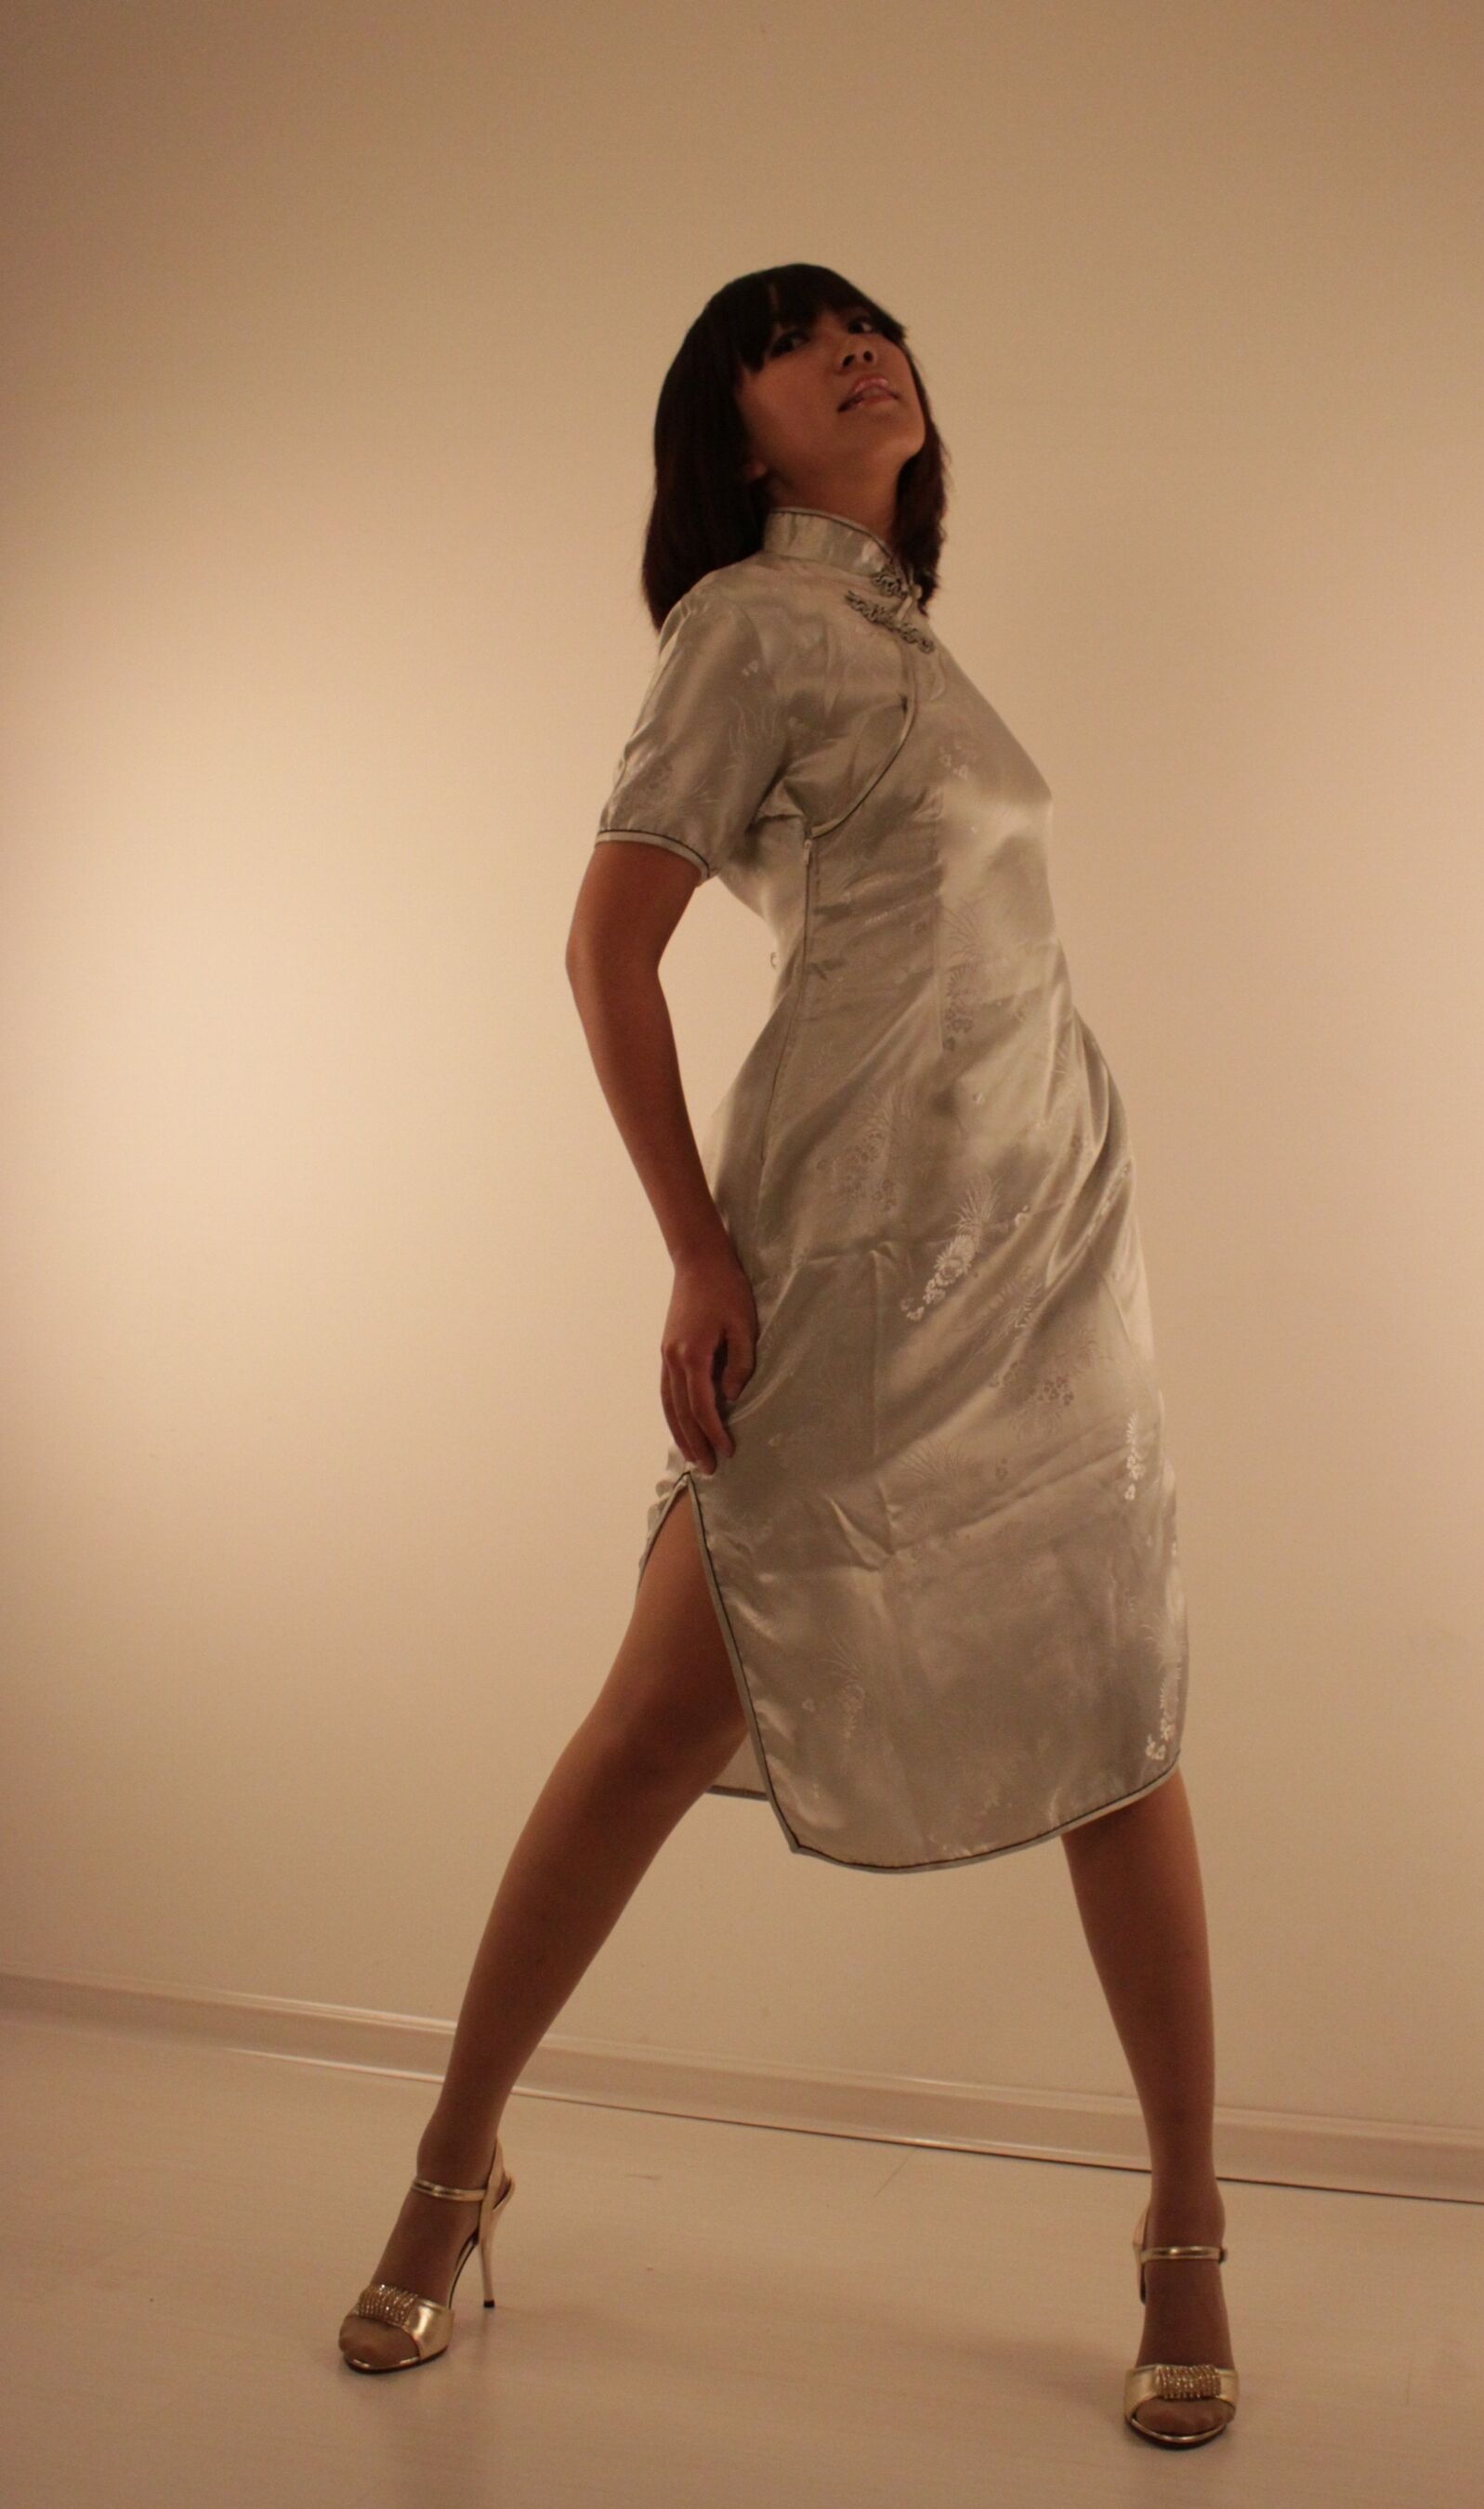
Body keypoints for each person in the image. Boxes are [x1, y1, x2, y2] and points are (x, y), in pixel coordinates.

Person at [336, 263, 1237, 2448]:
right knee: (661, 1713)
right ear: (731, 434)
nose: (853, 348)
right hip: (848, 1257)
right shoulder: (745, 626)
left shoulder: (921, 647)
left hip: (1050, 1263)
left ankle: (1188, 2227)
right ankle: (452, 2168)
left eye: (866, 322)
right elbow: (604, 949)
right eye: (790, 337)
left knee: (1115, 1715)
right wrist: (693, 1248)